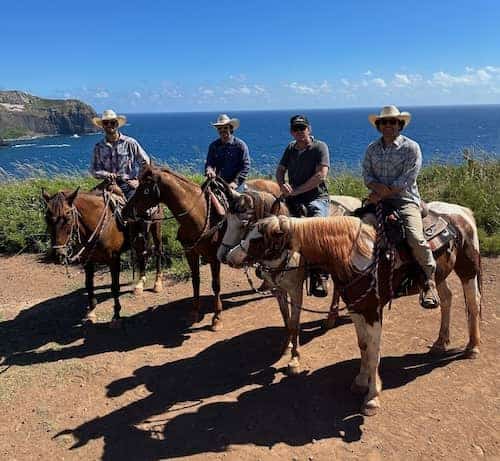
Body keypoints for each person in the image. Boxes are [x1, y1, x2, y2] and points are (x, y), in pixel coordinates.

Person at [362, 105, 440, 309]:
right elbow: (367, 175)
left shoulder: (411, 148)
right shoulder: (372, 148)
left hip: (405, 200)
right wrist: (376, 189)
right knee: (354, 231)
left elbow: (406, 179)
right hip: (378, 198)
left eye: (393, 122)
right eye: (384, 122)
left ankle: (429, 280)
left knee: (414, 236)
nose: (389, 125)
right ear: (379, 126)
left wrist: (381, 193)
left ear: (400, 125)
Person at [276, 114, 331, 297]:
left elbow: (321, 175)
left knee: (316, 229)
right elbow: (280, 169)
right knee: (273, 224)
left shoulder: (319, 147)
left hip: (316, 197)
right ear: (292, 131)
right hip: (294, 198)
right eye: (296, 129)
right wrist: (282, 183)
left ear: (309, 129)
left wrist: (297, 191)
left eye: (303, 128)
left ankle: (320, 274)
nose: (300, 132)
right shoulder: (291, 148)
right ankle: (273, 267)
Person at [90, 109, 150, 200]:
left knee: (131, 211)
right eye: (106, 123)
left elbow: (145, 162)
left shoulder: (130, 143)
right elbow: (94, 170)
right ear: (102, 126)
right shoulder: (98, 147)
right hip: (108, 184)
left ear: (117, 124)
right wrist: (106, 174)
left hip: (128, 185)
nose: (109, 125)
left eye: (112, 123)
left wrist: (138, 180)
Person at [205, 114, 250, 192]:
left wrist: (235, 182)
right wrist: (209, 170)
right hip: (218, 182)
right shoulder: (213, 146)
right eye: (220, 128)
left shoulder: (240, 145)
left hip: (236, 184)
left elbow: (245, 166)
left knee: (237, 202)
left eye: (225, 127)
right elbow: (209, 163)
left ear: (231, 129)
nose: (222, 130)